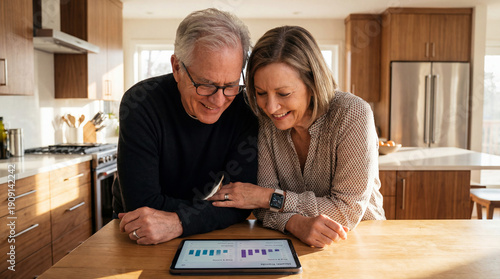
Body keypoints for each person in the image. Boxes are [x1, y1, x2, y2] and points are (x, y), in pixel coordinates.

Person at [208, 25, 385, 248]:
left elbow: (345, 211)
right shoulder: (265, 121)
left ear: (312, 83)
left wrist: (267, 197)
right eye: (261, 93)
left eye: (284, 93)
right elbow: (261, 209)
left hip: (358, 241)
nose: (271, 107)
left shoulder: (352, 113)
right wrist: (295, 224)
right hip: (291, 240)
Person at [113, 8, 258, 245]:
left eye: (230, 85)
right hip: (137, 228)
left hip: (194, 230)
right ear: (177, 68)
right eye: (205, 84)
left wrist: (179, 222)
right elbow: (142, 205)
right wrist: (210, 213)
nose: (219, 100)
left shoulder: (244, 109)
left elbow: (239, 204)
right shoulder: (141, 103)